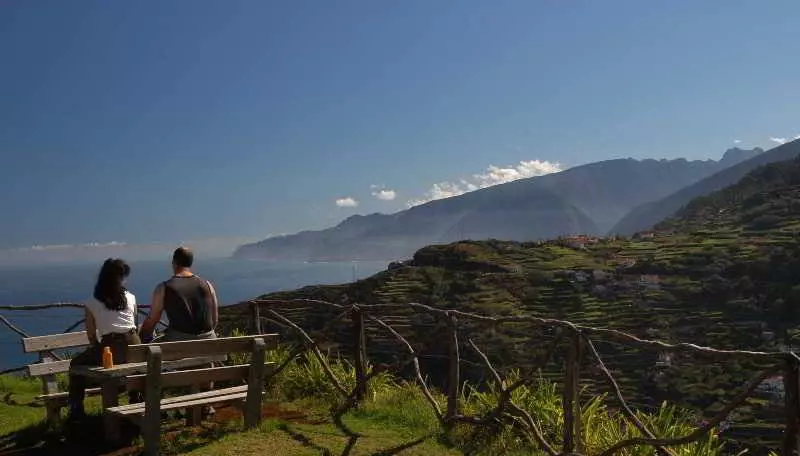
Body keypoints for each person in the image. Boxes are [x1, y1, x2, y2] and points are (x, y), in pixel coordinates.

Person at [68, 258, 141, 421]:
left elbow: (91, 335)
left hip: (110, 347)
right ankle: (135, 397)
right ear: (120, 278)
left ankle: (76, 410)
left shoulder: (92, 302)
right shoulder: (131, 297)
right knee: (134, 366)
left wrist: (98, 349)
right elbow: (134, 323)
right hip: (135, 345)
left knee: (75, 364)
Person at [139, 246, 219, 342]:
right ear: (190, 263)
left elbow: (152, 320)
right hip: (210, 342)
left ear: (174, 262)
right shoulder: (208, 285)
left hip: (179, 343)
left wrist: (141, 338)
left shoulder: (164, 288)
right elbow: (214, 320)